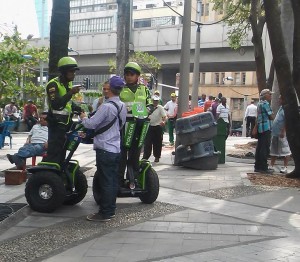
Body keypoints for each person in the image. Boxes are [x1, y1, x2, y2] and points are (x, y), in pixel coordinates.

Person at [80, 76, 127, 222]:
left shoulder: (106, 107)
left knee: (106, 182)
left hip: (105, 149)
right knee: (112, 181)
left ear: (111, 89)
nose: (104, 90)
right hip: (115, 148)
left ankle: (105, 212)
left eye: (107, 87)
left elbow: (90, 124)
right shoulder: (122, 106)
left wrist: (83, 117)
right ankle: (110, 210)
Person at [42, 56, 83, 166]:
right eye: (71, 71)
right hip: (56, 125)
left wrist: (77, 108)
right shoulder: (53, 84)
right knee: (54, 153)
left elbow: (67, 103)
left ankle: (59, 177)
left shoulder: (68, 84)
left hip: (66, 125)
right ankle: (49, 177)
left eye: (74, 71)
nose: (74, 74)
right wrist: (71, 93)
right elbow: (56, 104)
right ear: (64, 72)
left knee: (62, 153)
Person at [119, 62, 153, 186]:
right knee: (122, 154)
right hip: (124, 126)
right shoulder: (120, 89)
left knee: (135, 154)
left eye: (131, 74)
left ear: (137, 76)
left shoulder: (144, 89)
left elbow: (150, 104)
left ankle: (132, 179)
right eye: (127, 74)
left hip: (139, 125)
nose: (129, 77)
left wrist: (147, 111)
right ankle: (118, 180)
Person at [253, 89, 275, 173]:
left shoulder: (259, 104)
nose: (271, 96)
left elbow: (258, 117)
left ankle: (257, 166)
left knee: (259, 147)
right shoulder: (265, 104)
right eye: (270, 94)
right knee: (264, 148)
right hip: (266, 128)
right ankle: (263, 167)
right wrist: (273, 114)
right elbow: (271, 116)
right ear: (265, 95)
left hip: (261, 128)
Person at [269, 95, 291, 174]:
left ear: (283, 100)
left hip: (281, 133)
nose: (278, 100)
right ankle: (271, 165)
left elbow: (286, 121)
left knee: (285, 150)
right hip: (275, 133)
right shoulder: (281, 108)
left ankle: (285, 167)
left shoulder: (286, 109)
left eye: (280, 99)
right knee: (274, 149)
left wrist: (283, 131)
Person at [142, 95, 167, 163]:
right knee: (147, 142)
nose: (155, 102)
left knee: (158, 143)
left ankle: (157, 156)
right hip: (149, 126)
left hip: (157, 127)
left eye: (156, 101)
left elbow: (164, 116)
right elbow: (143, 115)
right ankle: (145, 157)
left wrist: (163, 121)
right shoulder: (148, 107)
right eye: (154, 101)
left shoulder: (160, 108)